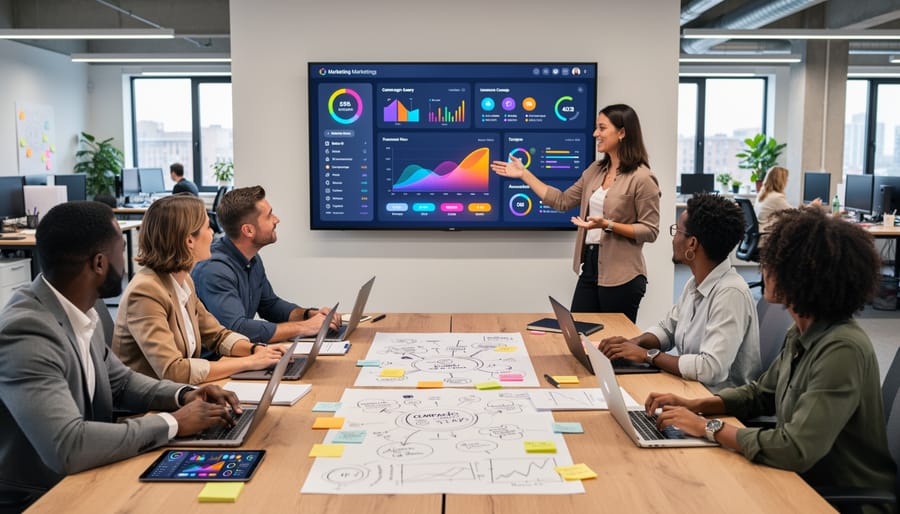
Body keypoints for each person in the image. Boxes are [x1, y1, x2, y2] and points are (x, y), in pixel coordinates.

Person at [0, 201, 241, 512]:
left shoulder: (82, 309)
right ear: (99, 263)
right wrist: (173, 423)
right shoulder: (27, 331)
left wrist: (186, 395)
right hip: (43, 496)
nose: (130, 259)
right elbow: (67, 445)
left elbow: (122, 383)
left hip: (90, 473)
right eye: (120, 248)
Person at [646, 207, 896, 502]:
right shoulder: (802, 331)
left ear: (800, 276)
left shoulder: (842, 348)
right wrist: (695, 404)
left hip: (834, 495)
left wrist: (706, 427)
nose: (764, 268)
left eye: (771, 262)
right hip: (795, 477)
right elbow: (761, 394)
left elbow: (795, 449)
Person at [490, 104, 660, 322]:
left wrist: (607, 225)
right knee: (580, 336)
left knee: (616, 347)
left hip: (623, 275)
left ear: (622, 132)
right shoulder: (595, 170)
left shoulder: (642, 178)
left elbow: (650, 230)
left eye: (602, 128)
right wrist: (525, 175)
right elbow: (562, 201)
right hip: (589, 267)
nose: (595, 134)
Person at [112, 194, 286, 384]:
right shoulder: (146, 291)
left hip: (179, 394)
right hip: (150, 407)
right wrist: (249, 362)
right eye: (208, 227)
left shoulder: (183, 280)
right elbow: (173, 370)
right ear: (189, 241)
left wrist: (256, 350)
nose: (213, 234)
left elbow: (217, 335)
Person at [598, 193, 761, 391]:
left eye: (677, 232)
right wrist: (632, 344)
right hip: (690, 389)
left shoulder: (731, 294)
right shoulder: (695, 283)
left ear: (692, 244)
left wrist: (647, 355)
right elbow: (668, 329)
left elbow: (710, 369)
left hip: (716, 404)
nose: (673, 239)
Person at [192, 186, 340, 343]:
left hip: (245, 356)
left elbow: (270, 306)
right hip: (219, 363)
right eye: (269, 216)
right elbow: (237, 328)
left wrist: (309, 314)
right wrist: (305, 327)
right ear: (248, 230)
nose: (277, 219)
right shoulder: (214, 270)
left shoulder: (252, 258)